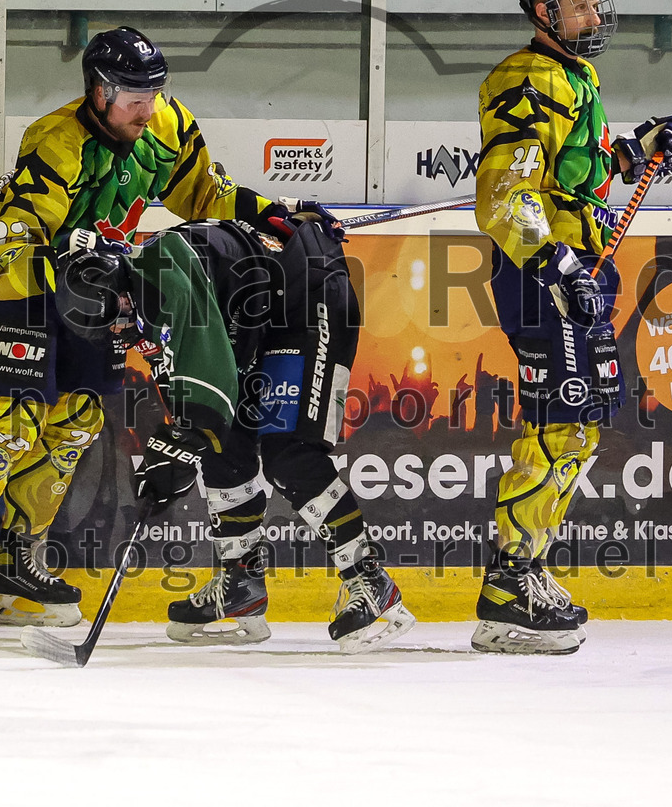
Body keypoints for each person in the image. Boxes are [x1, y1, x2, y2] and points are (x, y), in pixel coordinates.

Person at [0, 26, 331, 631]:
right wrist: (64, 269)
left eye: (156, 92)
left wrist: (269, 211)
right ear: (100, 90)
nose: (149, 106)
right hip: (26, 287)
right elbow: (9, 246)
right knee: (12, 427)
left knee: (77, 423)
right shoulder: (55, 142)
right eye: (135, 95)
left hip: (101, 290)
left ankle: (14, 560)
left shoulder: (164, 124)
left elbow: (201, 192)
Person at [56, 214, 416, 653]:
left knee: (289, 450)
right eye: (109, 329)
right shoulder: (139, 305)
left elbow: (207, 383)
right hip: (258, 323)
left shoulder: (166, 267)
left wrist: (182, 440)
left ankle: (370, 581)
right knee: (220, 447)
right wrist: (178, 448)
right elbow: (189, 391)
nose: (119, 331)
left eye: (118, 318)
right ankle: (241, 585)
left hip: (308, 299)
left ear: (123, 287)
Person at [472, 0, 672, 654]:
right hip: (544, 274)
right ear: (543, 10)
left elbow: (584, 169)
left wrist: (642, 148)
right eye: (581, 4)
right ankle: (508, 585)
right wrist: (555, 262)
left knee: (582, 428)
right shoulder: (525, 79)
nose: (595, 15)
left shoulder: (577, 76)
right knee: (559, 426)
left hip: (576, 273)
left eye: (598, 2)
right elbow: (507, 194)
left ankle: (524, 568)